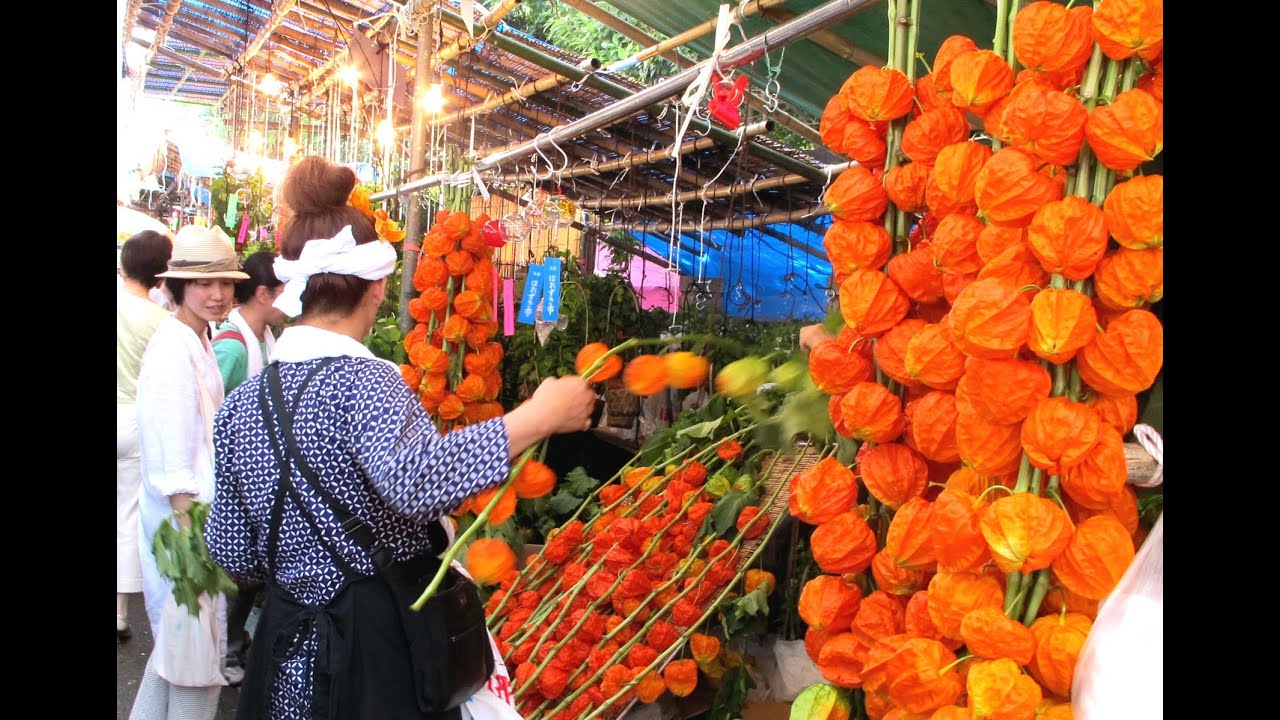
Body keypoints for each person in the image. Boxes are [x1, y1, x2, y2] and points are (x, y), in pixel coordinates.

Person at [206, 155, 596, 719]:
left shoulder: (242, 405)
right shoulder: (365, 382)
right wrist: (538, 416)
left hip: (286, 648)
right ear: (379, 286)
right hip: (373, 651)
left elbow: (232, 550)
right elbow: (415, 482)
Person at [130, 224, 249, 720]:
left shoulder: (196, 340)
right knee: (196, 668)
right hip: (186, 530)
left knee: (176, 659)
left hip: (195, 522)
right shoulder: (172, 347)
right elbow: (171, 452)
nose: (217, 293)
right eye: (204, 283)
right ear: (179, 285)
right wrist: (193, 538)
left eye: (225, 282)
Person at [212, 249, 287, 684]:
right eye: (284, 292)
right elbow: (208, 413)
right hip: (233, 479)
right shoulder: (234, 346)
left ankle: (233, 644)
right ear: (263, 293)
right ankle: (224, 652)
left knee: (247, 575)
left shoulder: (264, 340)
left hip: (254, 477)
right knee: (234, 574)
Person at [117, 229, 174, 642]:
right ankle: (118, 611)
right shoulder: (162, 322)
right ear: (161, 273)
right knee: (127, 514)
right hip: (133, 421)